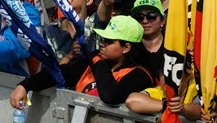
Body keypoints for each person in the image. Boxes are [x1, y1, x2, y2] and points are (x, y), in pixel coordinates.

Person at [10, 15, 154, 107]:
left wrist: (98, 61)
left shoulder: (140, 75)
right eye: (102, 39)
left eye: (109, 41)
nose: (102, 44)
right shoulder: (93, 61)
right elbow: (61, 73)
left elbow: (110, 95)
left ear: (126, 47)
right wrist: (25, 85)